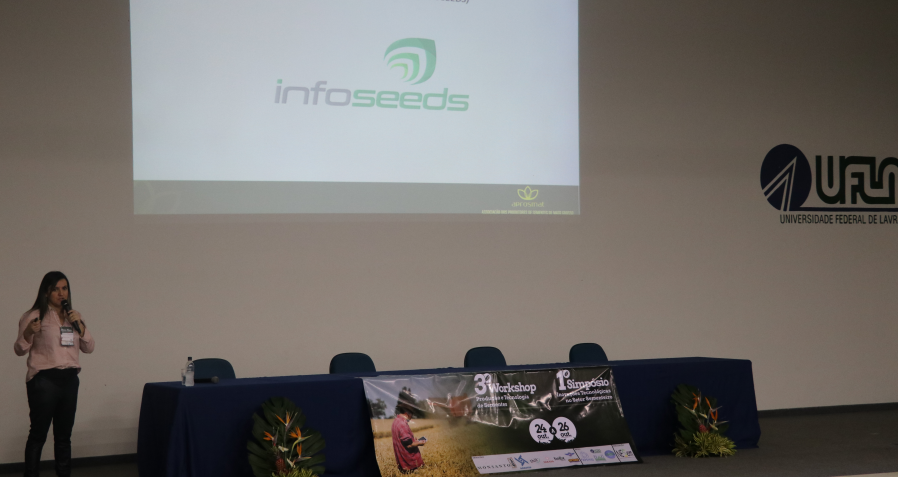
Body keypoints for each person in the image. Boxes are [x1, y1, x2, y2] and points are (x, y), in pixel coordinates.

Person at [13, 272, 95, 477]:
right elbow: (19, 349)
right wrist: (28, 333)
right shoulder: (33, 316)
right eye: (56, 289)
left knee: (64, 437)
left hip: (69, 380)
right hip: (44, 381)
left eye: (64, 288)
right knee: (38, 435)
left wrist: (80, 326)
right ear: (46, 292)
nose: (61, 293)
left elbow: (89, 347)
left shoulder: (74, 316)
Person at [391, 390, 425, 473]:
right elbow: (408, 445)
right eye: (412, 414)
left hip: (403, 464)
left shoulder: (396, 421)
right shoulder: (403, 424)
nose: (412, 416)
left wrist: (413, 440)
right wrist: (420, 443)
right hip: (411, 463)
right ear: (407, 413)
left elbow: (403, 440)